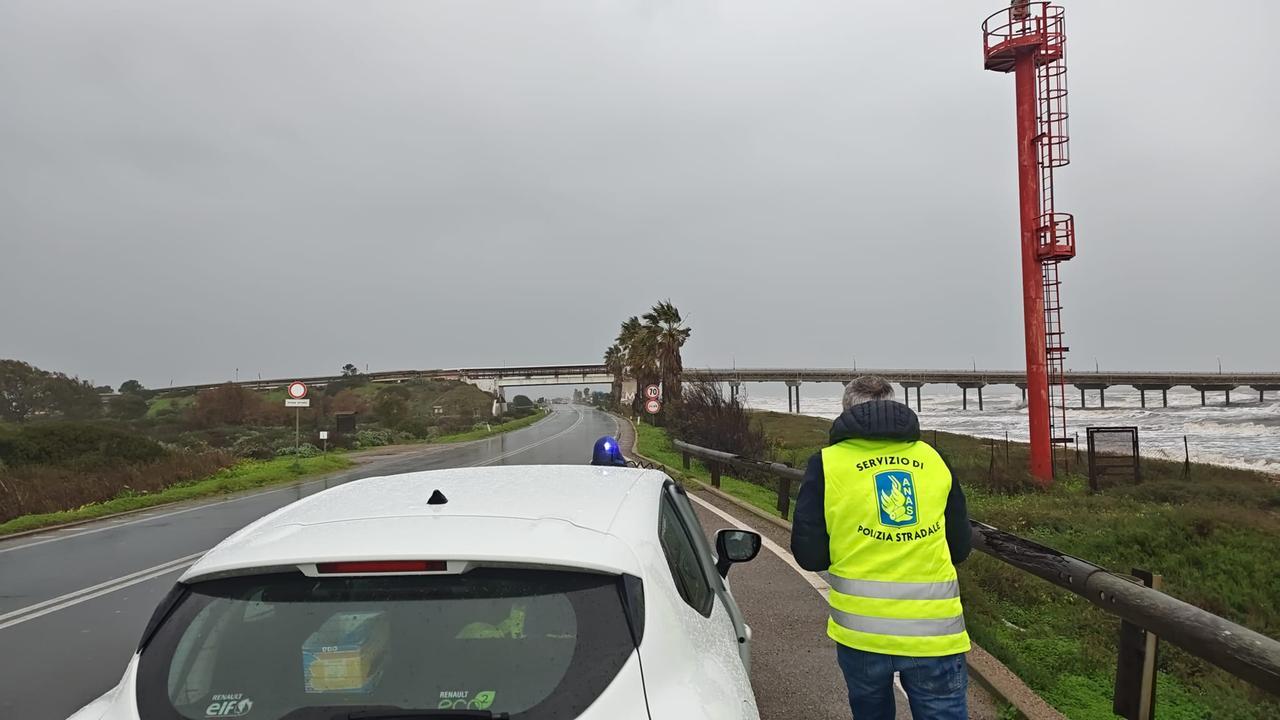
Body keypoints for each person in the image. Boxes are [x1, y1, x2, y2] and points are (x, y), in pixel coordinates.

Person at [790, 375, 972, 720]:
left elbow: (809, 554)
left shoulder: (826, 463)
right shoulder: (935, 459)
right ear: (894, 404)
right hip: (934, 633)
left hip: (862, 634)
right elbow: (960, 546)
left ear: (845, 410)